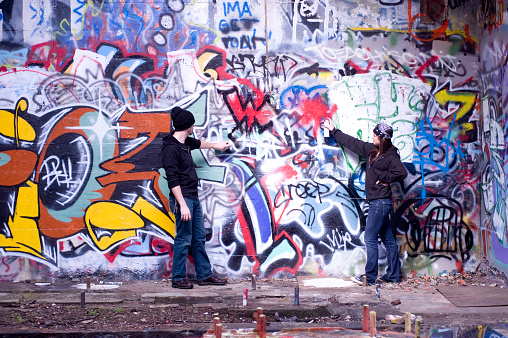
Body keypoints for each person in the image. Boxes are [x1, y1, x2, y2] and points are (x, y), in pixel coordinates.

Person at [323, 118, 407, 285]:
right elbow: (353, 143)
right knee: (388, 240)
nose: (372, 136)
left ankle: (369, 278)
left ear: (381, 137)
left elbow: (401, 172)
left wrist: (384, 178)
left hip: (380, 203)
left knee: (369, 238)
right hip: (379, 203)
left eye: (375, 135)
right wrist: (334, 130)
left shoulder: (390, 156)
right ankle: (393, 275)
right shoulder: (372, 151)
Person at [162, 106, 232, 289]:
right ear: (187, 126)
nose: (193, 126)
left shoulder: (185, 143)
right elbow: (172, 179)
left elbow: (199, 144)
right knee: (184, 239)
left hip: (193, 197)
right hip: (183, 200)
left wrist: (217, 145)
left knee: (198, 238)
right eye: (192, 124)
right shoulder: (171, 148)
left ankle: (204, 275)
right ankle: (177, 278)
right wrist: (182, 204)